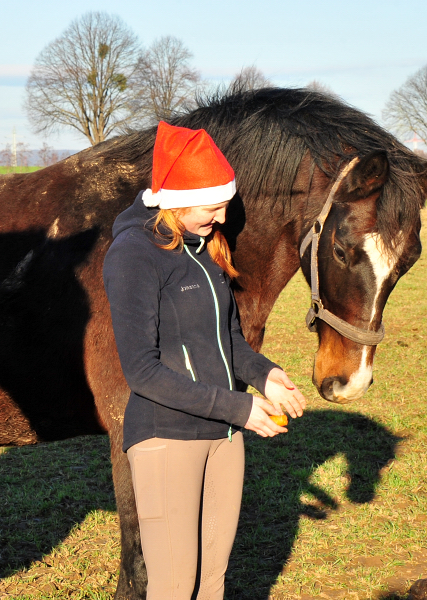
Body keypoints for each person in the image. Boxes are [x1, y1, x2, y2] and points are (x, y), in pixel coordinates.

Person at [103, 122, 306, 600]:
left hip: (225, 439)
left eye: (223, 207)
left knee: (211, 584)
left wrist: (266, 376)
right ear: (174, 199)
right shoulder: (133, 255)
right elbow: (142, 370)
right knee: (173, 586)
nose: (220, 219)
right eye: (212, 207)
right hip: (166, 438)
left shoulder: (206, 251)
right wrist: (240, 409)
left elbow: (229, 341)